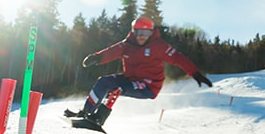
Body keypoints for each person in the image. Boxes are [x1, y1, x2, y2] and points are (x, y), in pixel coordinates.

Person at [64, 16, 212, 126]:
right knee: (104, 82)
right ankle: (86, 113)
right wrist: (97, 58)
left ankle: (99, 119)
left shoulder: (158, 46)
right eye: (139, 32)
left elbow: (178, 58)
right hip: (130, 78)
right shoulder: (127, 44)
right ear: (134, 32)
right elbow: (112, 51)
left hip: (148, 85)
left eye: (146, 33)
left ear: (151, 33)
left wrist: (195, 73)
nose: (142, 37)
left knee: (117, 88)